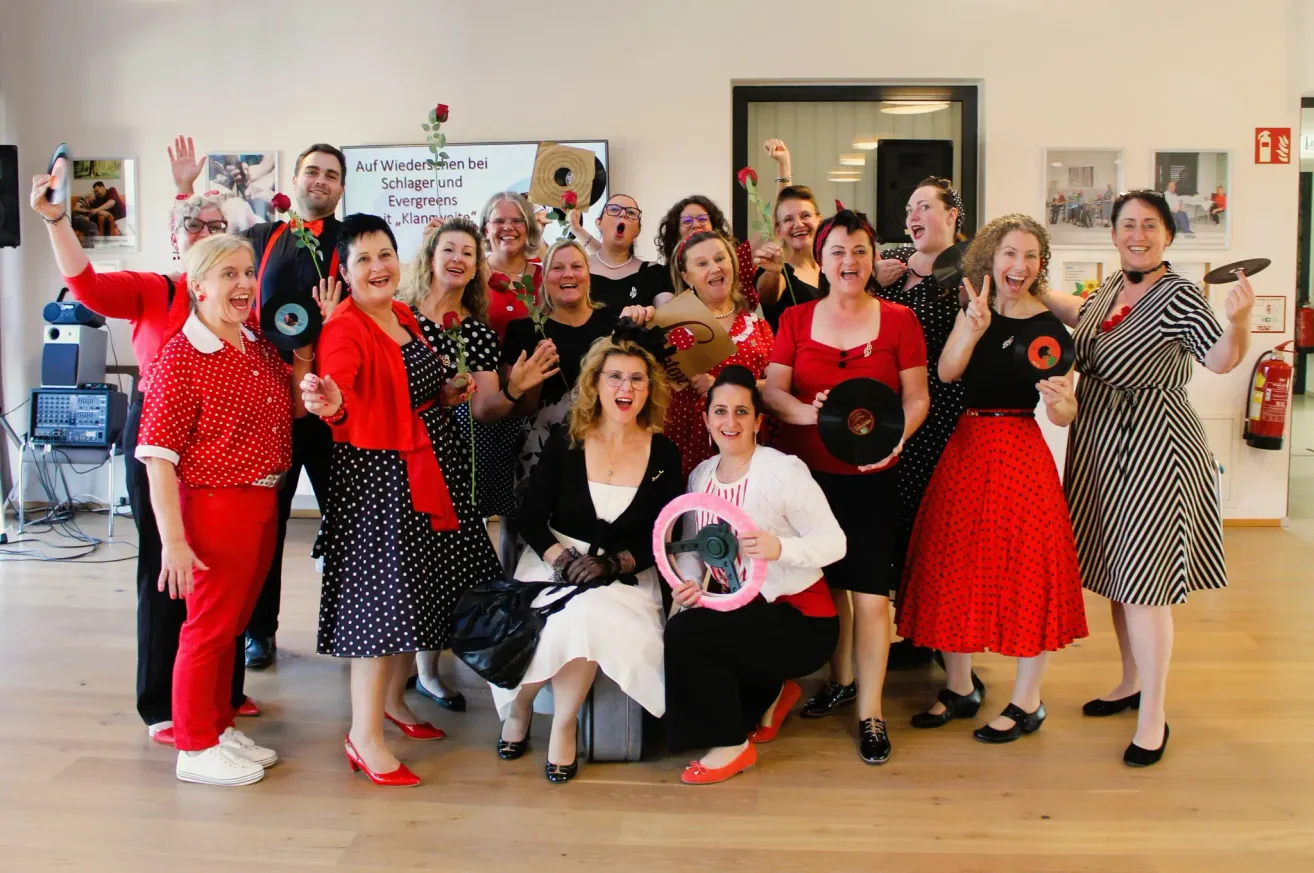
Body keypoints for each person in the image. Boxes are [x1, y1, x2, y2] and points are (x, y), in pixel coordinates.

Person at [29, 174, 271, 745]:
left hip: (224, 447)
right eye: (195, 225)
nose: (207, 234)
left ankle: (221, 696)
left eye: (218, 227)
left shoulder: (237, 305)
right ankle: (165, 706)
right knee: (169, 563)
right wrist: (56, 220)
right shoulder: (154, 288)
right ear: (175, 236)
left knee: (225, 578)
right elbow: (84, 286)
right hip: (160, 439)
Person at [1041, 190, 1253, 766]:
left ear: (1167, 235)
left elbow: (1219, 359)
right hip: (1099, 444)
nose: (1138, 234)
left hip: (1155, 447)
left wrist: (1239, 321)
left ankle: (1154, 714)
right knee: (1116, 576)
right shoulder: (1111, 287)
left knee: (1146, 585)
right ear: (1113, 235)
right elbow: (1079, 316)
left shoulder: (1180, 294)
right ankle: (1131, 682)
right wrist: (1028, 284)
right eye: (1128, 224)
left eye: (1150, 225)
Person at [302, 214, 498, 787]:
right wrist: (331, 399)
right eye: (362, 260)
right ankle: (363, 737)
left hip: (420, 468)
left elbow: (413, 388)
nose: (377, 267)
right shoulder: (346, 327)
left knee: (407, 604)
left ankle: (391, 705)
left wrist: (443, 391)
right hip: (378, 481)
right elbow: (339, 393)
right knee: (380, 611)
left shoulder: (403, 315)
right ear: (345, 272)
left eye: (384, 254)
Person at [896, 214, 1087, 743]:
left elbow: (1060, 415)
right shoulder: (972, 307)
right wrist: (972, 327)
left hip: (1020, 451)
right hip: (966, 446)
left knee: (1027, 570)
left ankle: (1028, 700)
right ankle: (960, 687)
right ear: (991, 259)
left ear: (1039, 265)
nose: (1019, 265)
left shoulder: (1049, 327)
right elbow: (948, 373)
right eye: (1009, 254)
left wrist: (1067, 404)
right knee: (951, 563)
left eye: (1029, 256)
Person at [172, 135, 348, 670]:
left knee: (346, 524)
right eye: (312, 171)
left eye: (331, 174)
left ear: (340, 188)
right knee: (264, 526)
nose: (320, 180)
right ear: (294, 180)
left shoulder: (352, 238)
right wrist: (184, 188)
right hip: (267, 404)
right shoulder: (259, 237)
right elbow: (198, 266)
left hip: (335, 404)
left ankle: (351, 630)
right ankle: (258, 631)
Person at [763, 208, 930, 765]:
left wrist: (894, 440)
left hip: (871, 479)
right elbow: (773, 392)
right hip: (806, 481)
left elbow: (916, 398)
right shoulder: (794, 320)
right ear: (822, 257)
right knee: (826, 587)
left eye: (859, 250)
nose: (849, 261)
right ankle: (840, 682)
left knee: (869, 596)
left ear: (872, 256)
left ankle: (872, 713)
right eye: (838, 251)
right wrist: (809, 419)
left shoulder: (900, 320)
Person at [134, 234, 293, 786]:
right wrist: (174, 542)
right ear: (197, 286)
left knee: (230, 625)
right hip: (215, 505)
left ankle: (217, 725)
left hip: (261, 501)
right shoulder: (182, 355)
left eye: (248, 272)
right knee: (206, 628)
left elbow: (288, 408)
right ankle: (195, 746)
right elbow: (157, 458)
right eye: (228, 274)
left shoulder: (255, 344)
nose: (245, 284)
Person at [491, 331, 682, 784]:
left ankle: (559, 722)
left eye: (637, 379)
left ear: (649, 389)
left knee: (588, 611)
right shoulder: (567, 442)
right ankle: (523, 705)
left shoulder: (665, 454)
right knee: (568, 609)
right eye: (615, 377)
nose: (626, 389)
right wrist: (562, 561)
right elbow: (531, 519)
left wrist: (612, 565)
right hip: (551, 561)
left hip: (625, 575)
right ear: (595, 384)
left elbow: (662, 536)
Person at [400, 217, 559, 709]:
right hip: (401, 457)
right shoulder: (399, 317)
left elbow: (487, 409)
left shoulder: (477, 333)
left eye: (467, 254)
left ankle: (428, 670)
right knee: (408, 564)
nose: (458, 260)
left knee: (444, 564)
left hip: (455, 462)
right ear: (431, 256)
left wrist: (516, 387)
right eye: (449, 249)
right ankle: (397, 668)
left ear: (476, 266)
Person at [665, 366, 844, 784]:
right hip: (745, 613)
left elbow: (836, 542)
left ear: (759, 421)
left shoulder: (784, 470)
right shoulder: (701, 476)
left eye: (742, 412)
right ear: (706, 418)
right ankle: (774, 691)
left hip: (802, 620)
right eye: (721, 411)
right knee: (687, 621)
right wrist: (688, 584)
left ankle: (732, 747)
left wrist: (782, 548)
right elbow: (694, 547)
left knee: (690, 633)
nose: (731, 422)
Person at [871, 177, 971, 672]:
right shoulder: (889, 260)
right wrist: (874, 277)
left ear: (953, 214)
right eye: (909, 207)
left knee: (934, 532)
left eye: (925, 206)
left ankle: (936, 632)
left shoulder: (967, 268)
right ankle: (910, 629)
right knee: (896, 525)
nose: (913, 215)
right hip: (889, 413)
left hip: (943, 415)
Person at [500, 238, 616, 488]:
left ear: (588, 273)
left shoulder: (613, 323)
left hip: (608, 448)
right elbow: (513, 411)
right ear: (544, 277)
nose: (568, 274)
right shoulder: (523, 331)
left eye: (576, 266)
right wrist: (532, 382)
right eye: (557, 268)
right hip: (543, 455)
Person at [567, 194, 667, 316]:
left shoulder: (654, 272)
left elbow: (668, 317)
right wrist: (575, 227)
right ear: (599, 223)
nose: (622, 214)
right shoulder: (575, 269)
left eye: (631, 213)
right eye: (614, 209)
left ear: (638, 231)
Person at [654, 195, 759, 310]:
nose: (696, 225)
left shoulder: (733, 261)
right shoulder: (664, 275)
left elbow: (771, 232)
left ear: (714, 227)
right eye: (687, 221)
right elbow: (668, 316)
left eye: (703, 219)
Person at [753, 185, 823, 331]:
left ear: (819, 221)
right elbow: (768, 296)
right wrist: (773, 272)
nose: (798, 224)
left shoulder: (831, 267)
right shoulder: (777, 271)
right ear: (778, 230)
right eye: (788, 220)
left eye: (805, 216)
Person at [480, 191, 544, 340]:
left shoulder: (546, 278)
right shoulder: (470, 277)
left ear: (528, 228)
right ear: (486, 230)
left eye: (517, 220)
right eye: (499, 221)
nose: (508, 227)